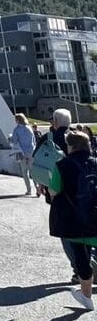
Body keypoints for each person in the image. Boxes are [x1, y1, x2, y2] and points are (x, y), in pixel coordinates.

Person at [47, 128, 97, 309]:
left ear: (70, 147)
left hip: (75, 221)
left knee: (81, 260)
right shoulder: (95, 163)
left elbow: (53, 191)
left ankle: (87, 298)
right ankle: (86, 297)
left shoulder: (62, 165)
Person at [10, 113, 36, 195]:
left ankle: (29, 190)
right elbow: (33, 140)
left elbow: (14, 141)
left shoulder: (16, 130)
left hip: (22, 152)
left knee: (25, 172)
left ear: (18, 120)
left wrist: (10, 137)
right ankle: (37, 187)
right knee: (33, 171)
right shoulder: (29, 128)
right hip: (31, 151)